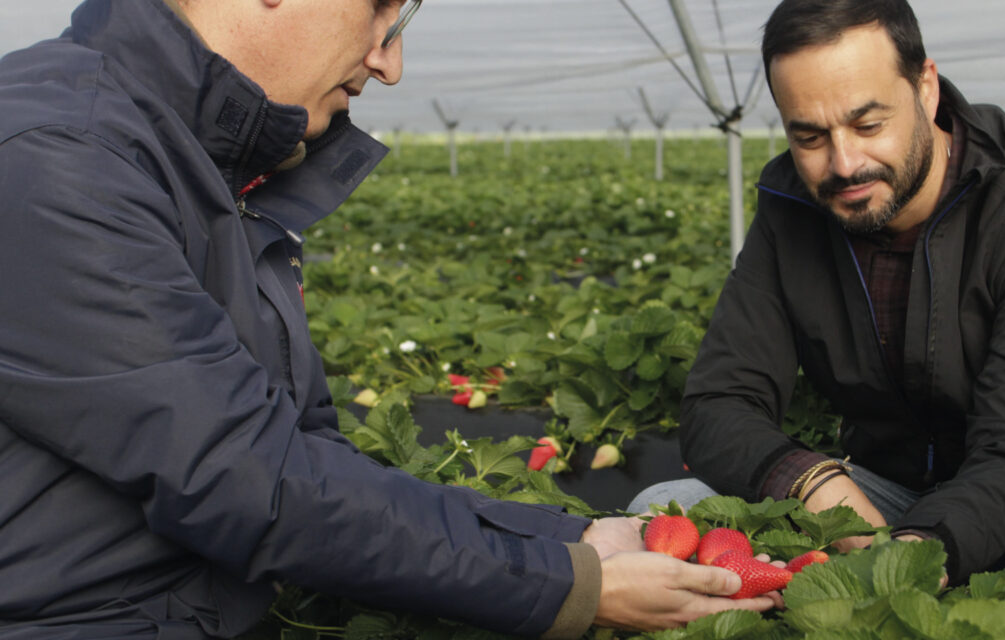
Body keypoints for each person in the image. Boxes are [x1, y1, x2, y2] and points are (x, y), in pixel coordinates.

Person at [0, 1, 778, 638]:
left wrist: (569, 541)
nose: (390, 63)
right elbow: (246, 478)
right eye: (380, 13)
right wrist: (567, 585)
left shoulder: (204, 164)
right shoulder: (61, 155)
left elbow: (299, 454)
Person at [630, 0, 1005, 630]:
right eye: (809, 137)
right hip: (887, 498)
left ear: (925, 88)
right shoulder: (790, 209)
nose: (843, 163)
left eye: (868, 124)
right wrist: (812, 483)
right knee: (669, 507)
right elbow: (717, 404)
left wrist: (917, 556)